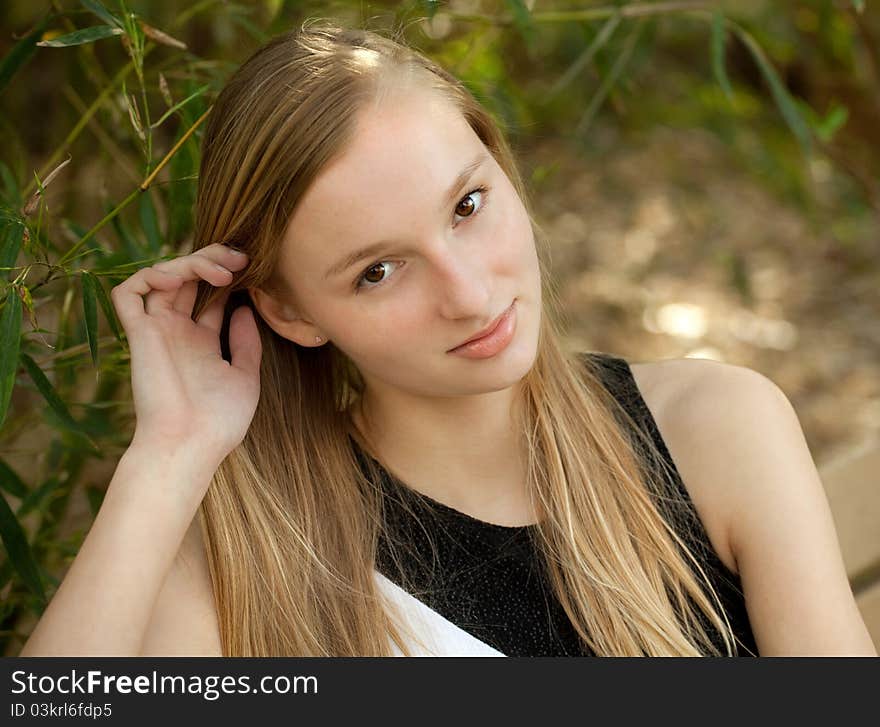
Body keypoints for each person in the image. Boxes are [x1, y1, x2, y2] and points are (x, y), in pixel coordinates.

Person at [20, 22, 876, 657]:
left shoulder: (717, 431)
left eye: (468, 206)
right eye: (378, 271)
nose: (469, 296)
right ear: (289, 312)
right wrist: (166, 456)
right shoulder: (254, 561)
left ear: (501, 166)